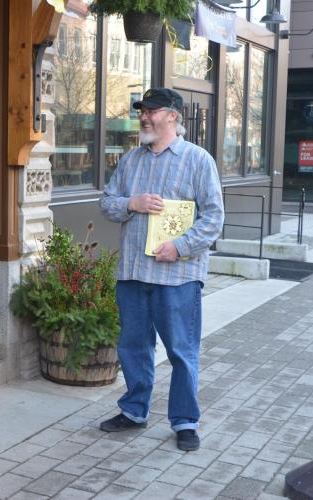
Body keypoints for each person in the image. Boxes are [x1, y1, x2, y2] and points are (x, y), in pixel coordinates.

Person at [98, 88, 224, 452]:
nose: (145, 117)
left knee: (182, 351)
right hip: (134, 273)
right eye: (142, 111)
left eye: (152, 111)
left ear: (173, 117)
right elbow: (107, 204)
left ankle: (185, 421)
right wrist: (131, 203)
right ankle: (134, 410)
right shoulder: (130, 161)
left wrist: (180, 247)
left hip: (178, 277)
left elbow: (214, 218)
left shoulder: (199, 160)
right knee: (133, 347)